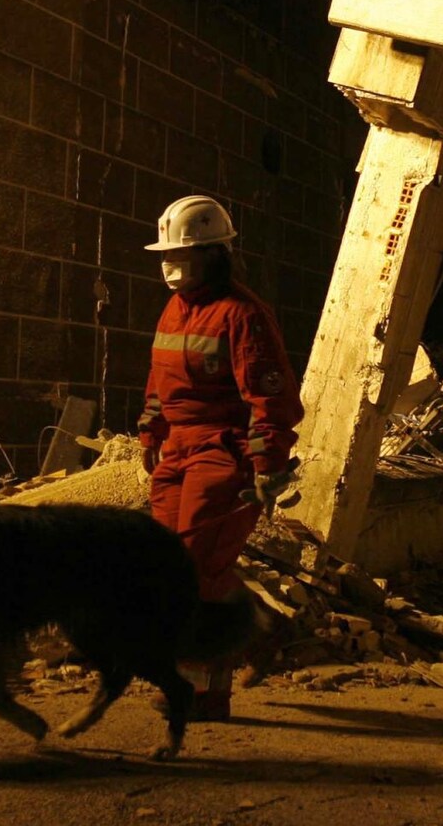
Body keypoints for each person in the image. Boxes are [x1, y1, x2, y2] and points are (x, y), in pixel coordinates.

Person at [138, 195, 302, 722]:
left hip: (221, 451)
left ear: (211, 254)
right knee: (166, 568)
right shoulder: (174, 308)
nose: (167, 263)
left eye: (178, 254)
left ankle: (205, 688)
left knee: (196, 571)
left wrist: (267, 463)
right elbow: (160, 382)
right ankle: (235, 642)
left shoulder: (242, 315)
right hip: (178, 451)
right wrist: (151, 434)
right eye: (163, 254)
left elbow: (268, 397)